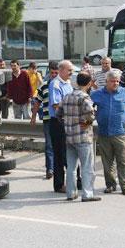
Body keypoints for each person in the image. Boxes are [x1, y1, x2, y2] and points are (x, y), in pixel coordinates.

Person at [91, 70, 125, 196]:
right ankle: (110, 185)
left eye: (117, 81)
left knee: (123, 161)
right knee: (107, 162)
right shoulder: (97, 94)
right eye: (113, 81)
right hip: (104, 133)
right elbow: (87, 104)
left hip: (121, 132)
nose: (115, 83)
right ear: (106, 82)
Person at [56, 72, 101, 202]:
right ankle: (87, 194)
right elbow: (91, 115)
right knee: (87, 166)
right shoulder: (84, 97)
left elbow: (58, 114)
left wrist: (67, 123)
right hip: (83, 137)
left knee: (71, 167)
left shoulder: (67, 96)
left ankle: (71, 193)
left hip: (69, 137)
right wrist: (86, 123)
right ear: (89, 83)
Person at [48, 60, 74, 193]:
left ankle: (76, 181)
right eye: (69, 70)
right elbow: (56, 105)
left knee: (70, 152)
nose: (71, 72)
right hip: (58, 122)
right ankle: (59, 185)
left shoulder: (68, 83)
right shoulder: (55, 84)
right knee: (60, 154)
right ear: (62, 70)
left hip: (68, 121)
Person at [30, 61, 59, 179]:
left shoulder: (63, 85)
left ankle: (58, 169)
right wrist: (33, 117)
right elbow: (37, 101)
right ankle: (50, 169)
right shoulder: (44, 86)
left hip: (60, 120)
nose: (54, 75)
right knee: (49, 145)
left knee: (60, 145)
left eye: (56, 73)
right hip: (47, 119)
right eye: (52, 72)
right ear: (49, 72)